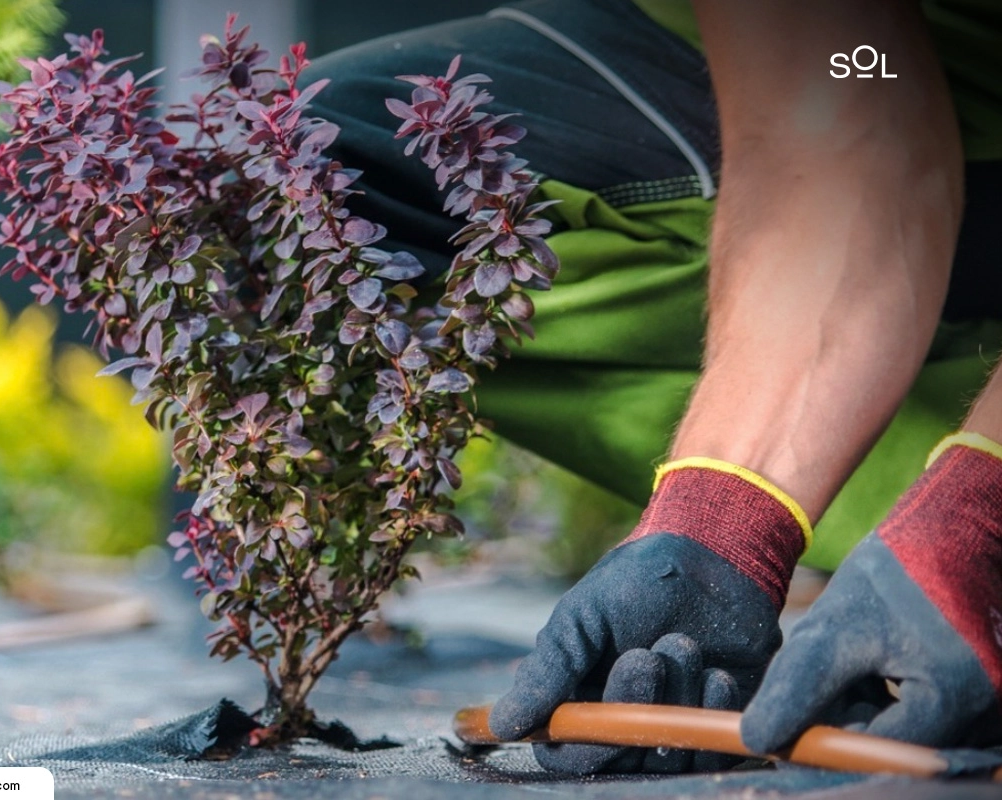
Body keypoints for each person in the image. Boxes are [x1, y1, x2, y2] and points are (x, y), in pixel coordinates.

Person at [306, 0, 1002, 773]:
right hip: (925, 77)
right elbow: (841, 99)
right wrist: (723, 524)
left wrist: (980, 521)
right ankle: (899, 521)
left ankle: (943, 523)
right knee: (292, 174)